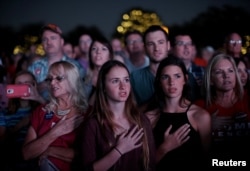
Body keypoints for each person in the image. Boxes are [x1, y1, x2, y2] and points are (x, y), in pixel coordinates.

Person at [78, 60, 155, 171]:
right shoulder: (93, 124)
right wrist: (119, 150)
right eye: (115, 81)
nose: (123, 86)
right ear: (103, 86)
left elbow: (151, 165)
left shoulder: (142, 120)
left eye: (126, 80)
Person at [146, 55, 211, 170]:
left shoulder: (200, 116)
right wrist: (164, 148)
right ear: (159, 81)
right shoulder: (149, 117)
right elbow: (142, 166)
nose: (172, 82)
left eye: (177, 76)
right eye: (166, 77)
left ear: (185, 79)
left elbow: (208, 160)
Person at [22, 61, 89, 171]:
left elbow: (88, 155)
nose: (52, 83)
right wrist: (56, 131)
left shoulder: (87, 113)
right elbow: (26, 153)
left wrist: (50, 151)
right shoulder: (42, 111)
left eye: (59, 78)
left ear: (73, 80)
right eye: (50, 79)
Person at [195, 53, 250, 163]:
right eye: (219, 72)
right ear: (210, 80)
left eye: (230, 71)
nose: (226, 76)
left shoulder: (248, 99)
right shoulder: (199, 107)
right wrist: (207, 126)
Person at [0, 70, 46, 171]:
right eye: (19, 84)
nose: (23, 87)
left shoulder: (42, 108)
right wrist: (20, 125)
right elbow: (2, 141)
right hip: (12, 157)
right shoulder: (4, 113)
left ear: (34, 85)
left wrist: (38, 98)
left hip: (37, 156)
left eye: (27, 83)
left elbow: (55, 114)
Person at [28, 23, 86, 101]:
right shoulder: (34, 66)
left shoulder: (75, 66)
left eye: (53, 38)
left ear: (62, 42)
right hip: (38, 111)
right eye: (45, 39)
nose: (48, 42)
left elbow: (81, 97)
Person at [130, 25, 170, 108]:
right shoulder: (134, 78)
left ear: (168, 45)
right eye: (151, 44)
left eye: (161, 42)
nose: (156, 48)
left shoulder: (184, 76)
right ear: (145, 48)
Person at [170, 33, 204, 100]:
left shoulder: (203, 72)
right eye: (181, 43)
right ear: (172, 49)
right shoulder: (166, 72)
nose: (186, 47)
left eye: (189, 43)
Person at [83, 36, 113, 104]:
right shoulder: (83, 79)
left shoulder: (115, 78)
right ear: (90, 55)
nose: (98, 52)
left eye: (104, 49)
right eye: (94, 49)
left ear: (110, 55)